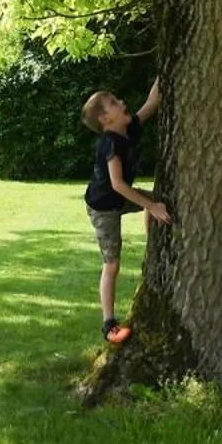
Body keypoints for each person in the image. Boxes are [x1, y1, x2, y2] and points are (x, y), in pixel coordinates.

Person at [81, 81, 170, 345]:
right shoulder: (109, 143)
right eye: (114, 102)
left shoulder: (128, 128)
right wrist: (150, 206)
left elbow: (152, 103)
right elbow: (117, 184)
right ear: (105, 119)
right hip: (103, 207)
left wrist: (161, 71)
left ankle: (153, 246)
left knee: (156, 200)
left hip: (119, 197)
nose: (122, 102)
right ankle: (109, 325)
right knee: (112, 264)